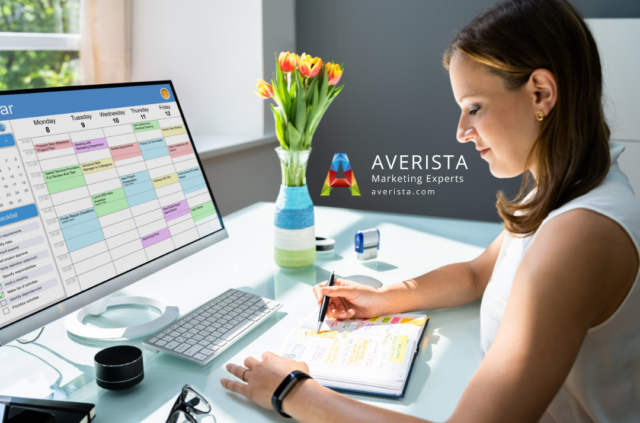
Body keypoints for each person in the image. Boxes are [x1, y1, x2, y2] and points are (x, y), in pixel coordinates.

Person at [220, 0, 640, 421]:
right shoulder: (563, 188)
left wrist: (293, 391)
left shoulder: (580, 234)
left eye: (474, 107)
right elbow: (480, 273)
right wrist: (384, 298)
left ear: (541, 94)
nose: (460, 132)